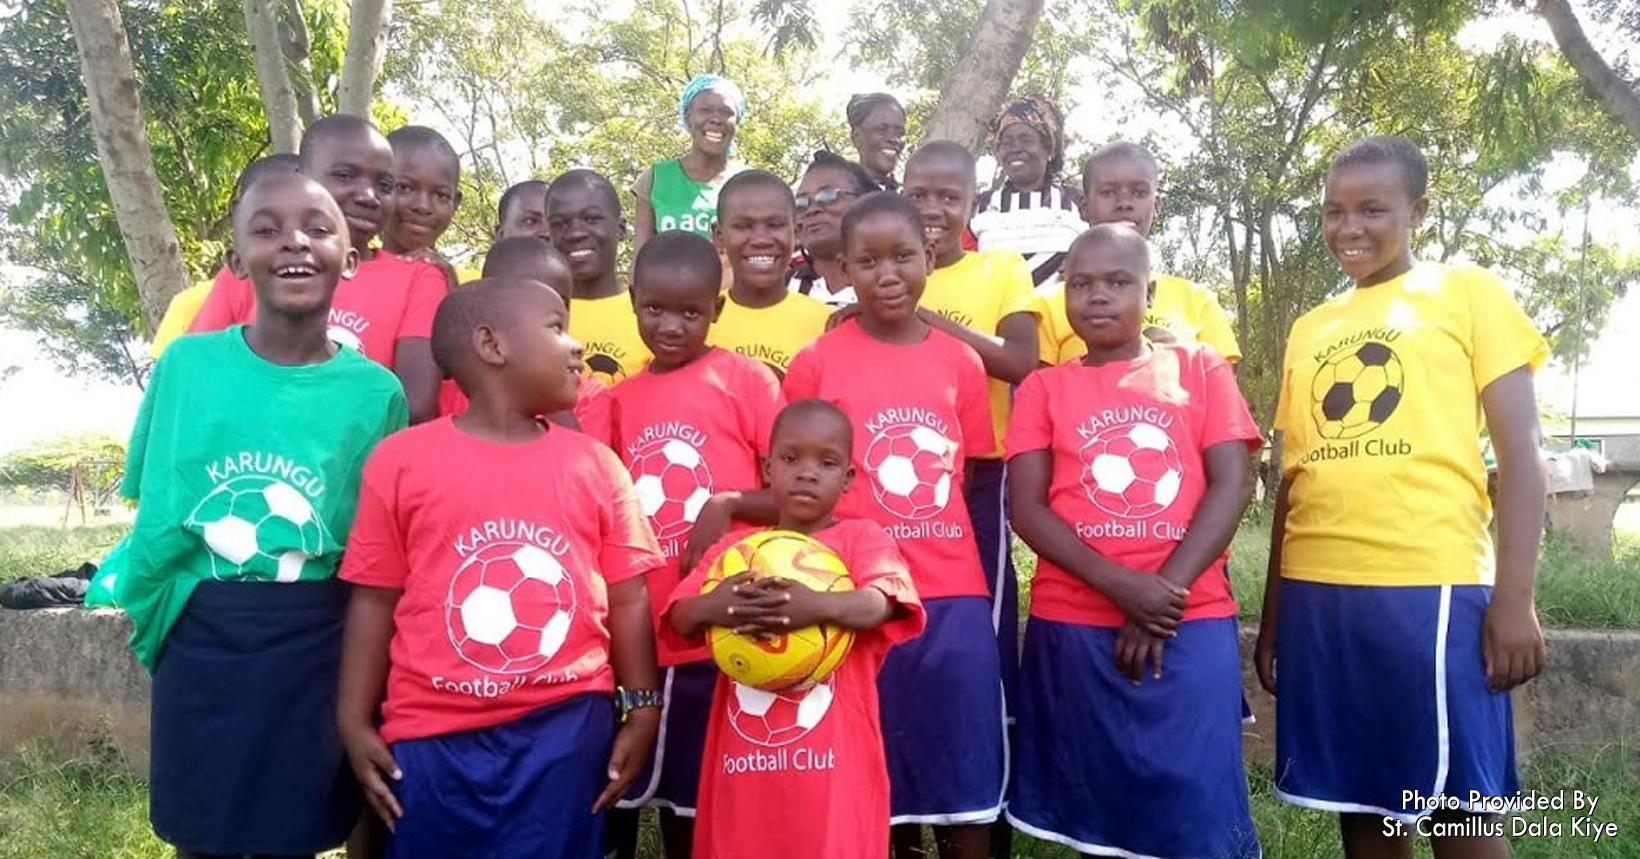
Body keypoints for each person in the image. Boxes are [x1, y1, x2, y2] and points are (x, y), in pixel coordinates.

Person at [1257, 135, 1549, 857]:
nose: (1348, 227)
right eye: (1332, 211)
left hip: (1432, 587)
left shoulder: (1466, 292)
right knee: (1362, 799)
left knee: (1460, 809)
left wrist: (1514, 599)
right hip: (1320, 593)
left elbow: (1522, 456)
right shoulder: (1310, 328)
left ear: (1416, 210)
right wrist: (1272, 619)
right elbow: (1295, 483)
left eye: (1371, 209)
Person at [118, 171, 409, 859]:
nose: (294, 243)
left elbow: (372, 546)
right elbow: (157, 510)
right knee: (201, 826)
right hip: (203, 628)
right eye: (267, 228)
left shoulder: (376, 393)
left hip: (314, 633)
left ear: (353, 256)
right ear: (235, 259)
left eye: (315, 226)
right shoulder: (188, 366)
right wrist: (157, 620)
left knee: (295, 827)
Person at [336, 277, 664, 859]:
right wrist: (352, 719)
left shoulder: (597, 465)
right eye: (557, 326)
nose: (577, 344)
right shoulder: (401, 461)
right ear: (492, 345)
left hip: (567, 729)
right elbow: (374, 599)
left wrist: (642, 707)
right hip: (431, 733)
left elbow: (630, 597)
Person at [1005, 225, 1263, 859]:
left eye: (1118, 282)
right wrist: (1124, 587)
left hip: (1188, 618)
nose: (1098, 296)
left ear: (1148, 293)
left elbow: (1233, 482)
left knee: (1195, 803)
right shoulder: (1043, 388)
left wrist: (1161, 596)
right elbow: (1028, 509)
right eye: (1082, 283)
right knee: (1102, 808)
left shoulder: (1199, 369)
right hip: (1074, 624)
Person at [785, 192, 1004, 859]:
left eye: (902, 255)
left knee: (959, 759)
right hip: (849, 593)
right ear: (843, 270)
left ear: (929, 257)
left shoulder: (962, 362)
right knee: (868, 761)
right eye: (868, 260)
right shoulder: (817, 362)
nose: (887, 273)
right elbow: (798, 485)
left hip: (949, 591)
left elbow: (965, 476)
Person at [583, 230, 784, 859]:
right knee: (624, 785)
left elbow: (796, 495)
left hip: (721, 625)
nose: (671, 325)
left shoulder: (746, 381)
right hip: (643, 628)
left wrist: (725, 504)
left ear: (718, 310)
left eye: (690, 312)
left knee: (699, 797)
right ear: (634, 303)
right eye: (655, 309)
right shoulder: (617, 400)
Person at [665, 398, 926, 859]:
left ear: (847, 479)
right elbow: (681, 616)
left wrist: (814, 607)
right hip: (744, 764)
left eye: (826, 463)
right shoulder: (735, 552)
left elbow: (879, 604)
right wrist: (717, 605)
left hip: (834, 768)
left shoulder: (862, 540)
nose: (807, 473)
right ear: (767, 468)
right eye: (790, 459)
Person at [901, 139, 1039, 724]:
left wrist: (925, 317)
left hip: (980, 472)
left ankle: (993, 757)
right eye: (918, 195)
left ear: (974, 201)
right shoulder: (890, 264)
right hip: (898, 475)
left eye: (948, 196)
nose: (932, 207)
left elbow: (1018, 361)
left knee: (982, 614)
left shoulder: (999, 268)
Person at [188, 114, 446, 423]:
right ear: (302, 175)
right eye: (345, 175)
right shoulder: (252, 269)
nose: (367, 196)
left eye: (385, 185)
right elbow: (196, 378)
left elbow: (413, 405)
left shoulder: (419, 278)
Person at [1039, 141, 1242, 366]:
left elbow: (1221, 391)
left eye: (1139, 192)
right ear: (1084, 206)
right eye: (1107, 192)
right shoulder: (1048, 305)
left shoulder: (1197, 301)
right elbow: (1041, 391)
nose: (1124, 203)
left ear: (1156, 206)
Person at [436, 237, 607, 429]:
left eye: (561, 303)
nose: (550, 310)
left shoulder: (588, 396)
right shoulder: (454, 388)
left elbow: (583, 456)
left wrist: (552, 391)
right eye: (528, 303)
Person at [150, 153, 302, 359]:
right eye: (268, 223)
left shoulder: (347, 276)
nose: (292, 239)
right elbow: (180, 380)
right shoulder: (188, 305)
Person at [710, 169, 830, 377]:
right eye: (743, 226)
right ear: (719, 236)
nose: (761, 239)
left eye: (775, 225)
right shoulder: (698, 323)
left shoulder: (827, 325)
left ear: (796, 232)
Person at [546, 168, 652, 387]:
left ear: (621, 229)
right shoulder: (534, 314)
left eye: (592, 219)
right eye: (560, 223)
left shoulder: (649, 314)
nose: (576, 233)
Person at [969, 95, 1087, 290]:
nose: (1015, 148)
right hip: (991, 317)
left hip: (1060, 316)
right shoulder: (979, 206)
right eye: (1007, 142)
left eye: (1026, 139)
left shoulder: (1078, 202)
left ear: (1049, 148)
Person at [634, 74, 748, 249]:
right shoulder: (655, 179)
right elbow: (641, 257)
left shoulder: (748, 182)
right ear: (687, 117)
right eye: (705, 110)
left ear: (737, 121)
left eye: (726, 112)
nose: (716, 119)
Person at [787, 152, 877, 307]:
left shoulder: (896, 286)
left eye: (828, 196)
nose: (812, 209)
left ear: (866, 203)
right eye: (801, 202)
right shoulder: (779, 290)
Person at [380, 126, 462, 266]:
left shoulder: (448, 281)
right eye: (404, 188)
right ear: (379, 188)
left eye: (441, 195)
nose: (423, 206)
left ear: (455, 203)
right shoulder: (342, 271)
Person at [846, 93, 906, 192]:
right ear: (856, 137)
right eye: (881, 130)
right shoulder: (842, 197)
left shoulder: (909, 197)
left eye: (900, 133)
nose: (894, 139)